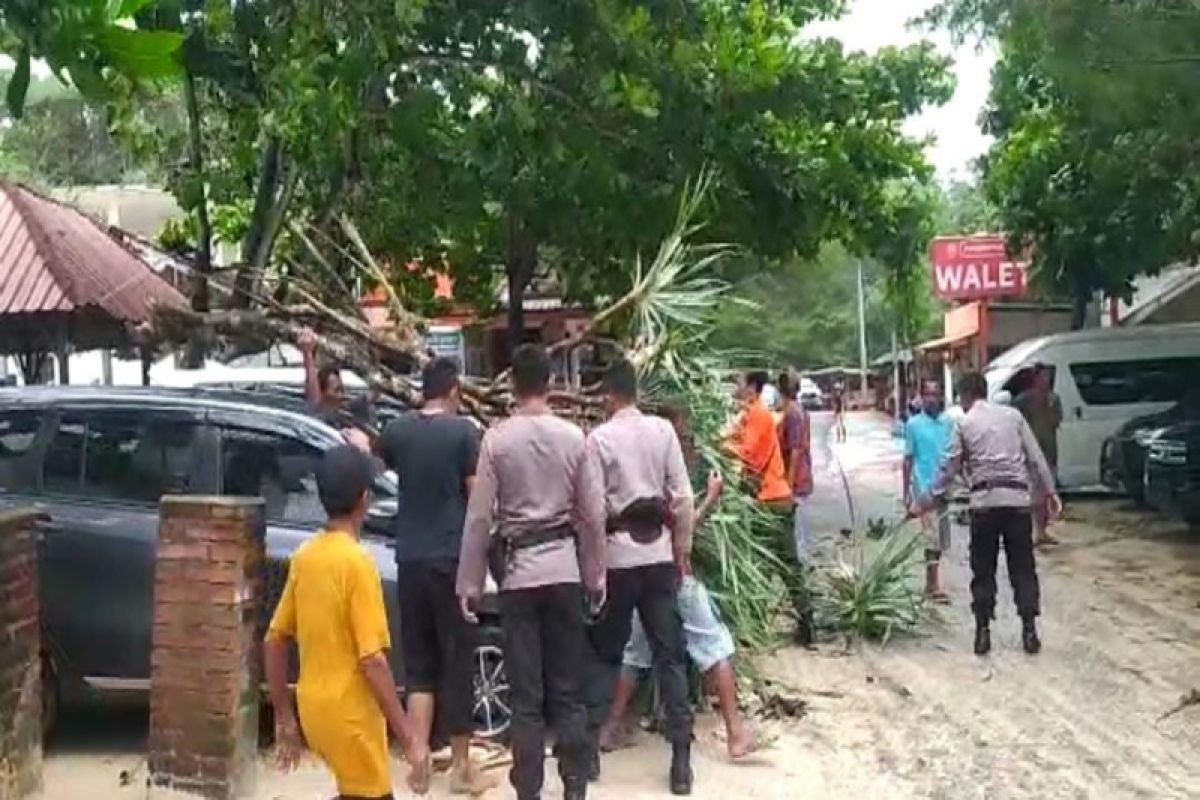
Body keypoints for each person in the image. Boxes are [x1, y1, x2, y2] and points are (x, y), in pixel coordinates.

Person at [456, 344, 606, 800]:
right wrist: (595, 576)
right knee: (567, 691)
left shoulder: (497, 441)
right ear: (550, 384)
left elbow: (480, 517)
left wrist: (469, 581)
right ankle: (575, 786)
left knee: (527, 698)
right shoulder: (574, 438)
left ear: (514, 386)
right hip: (564, 571)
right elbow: (594, 515)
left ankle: (529, 792)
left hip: (519, 576)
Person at [265, 445, 430, 800]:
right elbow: (372, 660)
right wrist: (409, 737)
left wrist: (285, 717)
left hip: (313, 711)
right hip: (352, 719)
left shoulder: (305, 557)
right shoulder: (358, 563)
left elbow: (274, 640)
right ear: (365, 500)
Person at [597, 409, 756, 761]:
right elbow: (682, 524)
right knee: (713, 647)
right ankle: (734, 733)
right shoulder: (668, 478)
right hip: (673, 579)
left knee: (635, 654)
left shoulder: (639, 476)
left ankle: (609, 729)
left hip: (641, 577)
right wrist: (711, 498)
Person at [374, 357, 495, 797]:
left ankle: (419, 756)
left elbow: (374, 460)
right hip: (450, 560)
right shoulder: (463, 432)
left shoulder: (399, 431)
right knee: (457, 659)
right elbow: (475, 496)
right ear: (454, 390)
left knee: (421, 662)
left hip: (409, 558)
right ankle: (461, 768)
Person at [584, 360, 696, 795]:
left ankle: (591, 753)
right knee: (670, 656)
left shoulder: (599, 440)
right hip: (658, 557)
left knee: (606, 654)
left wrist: (594, 570)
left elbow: (593, 513)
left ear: (610, 396)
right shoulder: (662, 432)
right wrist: (680, 550)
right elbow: (683, 497)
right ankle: (681, 764)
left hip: (619, 559)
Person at [909, 372, 1062, 657]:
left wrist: (925, 501)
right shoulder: (1013, 417)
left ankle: (983, 632)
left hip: (985, 504)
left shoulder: (964, 423)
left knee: (984, 569)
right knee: (1023, 567)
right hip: (1017, 502)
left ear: (966, 396)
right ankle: (1029, 629)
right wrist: (1051, 493)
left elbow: (948, 469)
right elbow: (1036, 457)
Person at [903, 379, 955, 603]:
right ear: (921, 397)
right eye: (928, 395)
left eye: (936, 394)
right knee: (932, 538)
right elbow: (908, 459)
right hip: (924, 489)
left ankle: (930, 582)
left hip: (945, 487)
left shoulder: (949, 423)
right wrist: (906, 491)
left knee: (942, 539)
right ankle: (933, 585)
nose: (932, 399)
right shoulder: (913, 425)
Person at [1013, 363, 1063, 547]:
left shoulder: (1054, 399)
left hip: (1049, 449)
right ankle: (1032, 531)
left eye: (1048, 377)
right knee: (1032, 494)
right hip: (1030, 453)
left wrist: (1048, 407)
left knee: (1047, 494)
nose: (1046, 380)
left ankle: (1042, 531)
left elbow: (1057, 421)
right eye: (1043, 376)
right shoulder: (1023, 400)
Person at [731, 371, 791, 506]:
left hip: (771, 497)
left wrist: (722, 447)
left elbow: (749, 455)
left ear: (751, 387)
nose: (737, 388)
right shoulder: (750, 413)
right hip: (765, 495)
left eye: (739, 383)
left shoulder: (759, 413)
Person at [778, 372, 814, 565]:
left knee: (798, 535)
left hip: (797, 481)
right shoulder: (797, 411)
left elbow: (795, 451)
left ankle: (802, 583)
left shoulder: (792, 414)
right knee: (799, 532)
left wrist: (788, 486)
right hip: (802, 477)